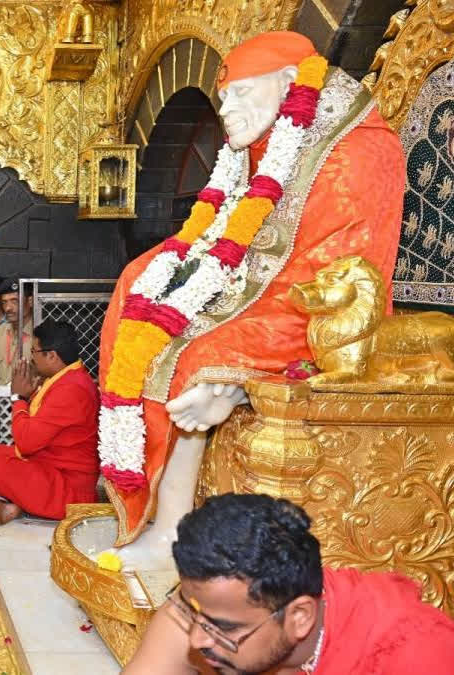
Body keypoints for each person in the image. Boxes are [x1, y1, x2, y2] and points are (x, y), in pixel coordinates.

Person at [97, 32, 406, 562]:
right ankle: (153, 504)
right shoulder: (256, 150)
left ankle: (176, 529)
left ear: (290, 84)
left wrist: (227, 362)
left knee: (195, 356)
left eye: (240, 93)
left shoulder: (358, 148)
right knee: (136, 285)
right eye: (221, 98)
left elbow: (336, 267)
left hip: (318, 304)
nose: (225, 109)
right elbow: (218, 234)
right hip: (245, 286)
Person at [124, 493, 454, 675]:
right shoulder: (214, 605)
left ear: (300, 617)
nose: (197, 638)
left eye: (221, 628)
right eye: (191, 612)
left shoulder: (413, 654)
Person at [0, 320, 99, 525]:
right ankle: (6, 504)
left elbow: (26, 443)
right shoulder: (66, 379)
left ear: (51, 355)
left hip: (67, 491)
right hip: (46, 467)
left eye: (34, 351)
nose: (31, 358)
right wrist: (32, 394)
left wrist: (19, 399)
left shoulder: (72, 389)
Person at [0, 278, 34, 386]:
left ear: (30, 301)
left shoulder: (40, 335)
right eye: (4, 302)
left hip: (26, 401)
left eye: (14, 301)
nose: (8, 308)